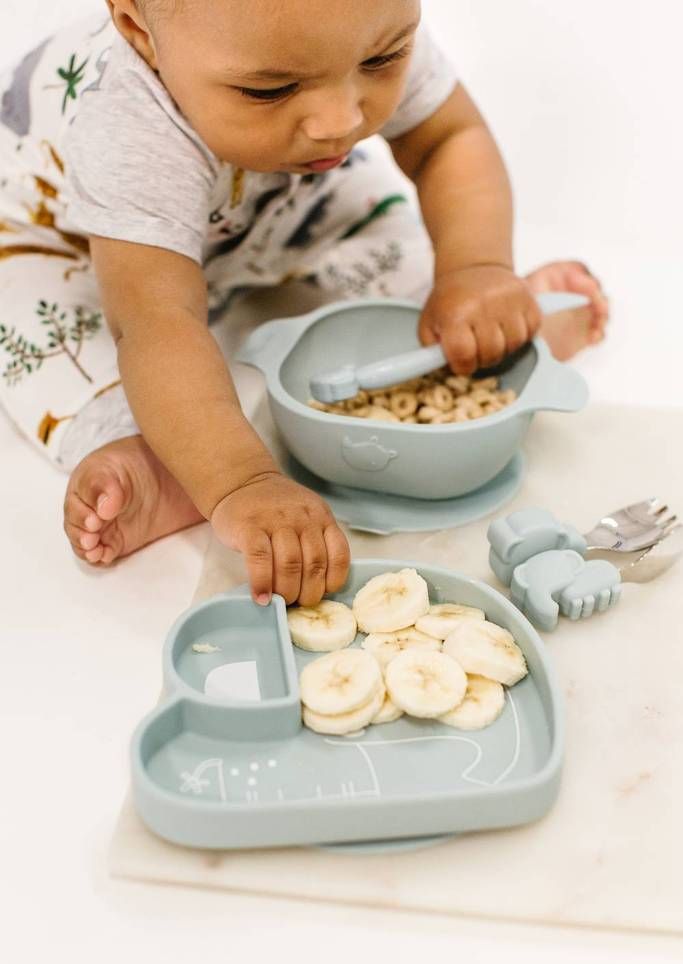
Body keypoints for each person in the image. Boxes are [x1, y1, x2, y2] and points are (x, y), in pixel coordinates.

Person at [0, 0, 608, 606]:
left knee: (399, 234)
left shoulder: (349, 26)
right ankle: (167, 462)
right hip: (79, 248)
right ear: (140, 30)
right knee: (39, 333)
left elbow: (449, 139)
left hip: (269, 199)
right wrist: (242, 481)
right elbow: (155, 322)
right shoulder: (126, 122)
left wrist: (477, 267)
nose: (338, 120)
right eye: (271, 89)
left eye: (383, 58)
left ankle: (493, 327)